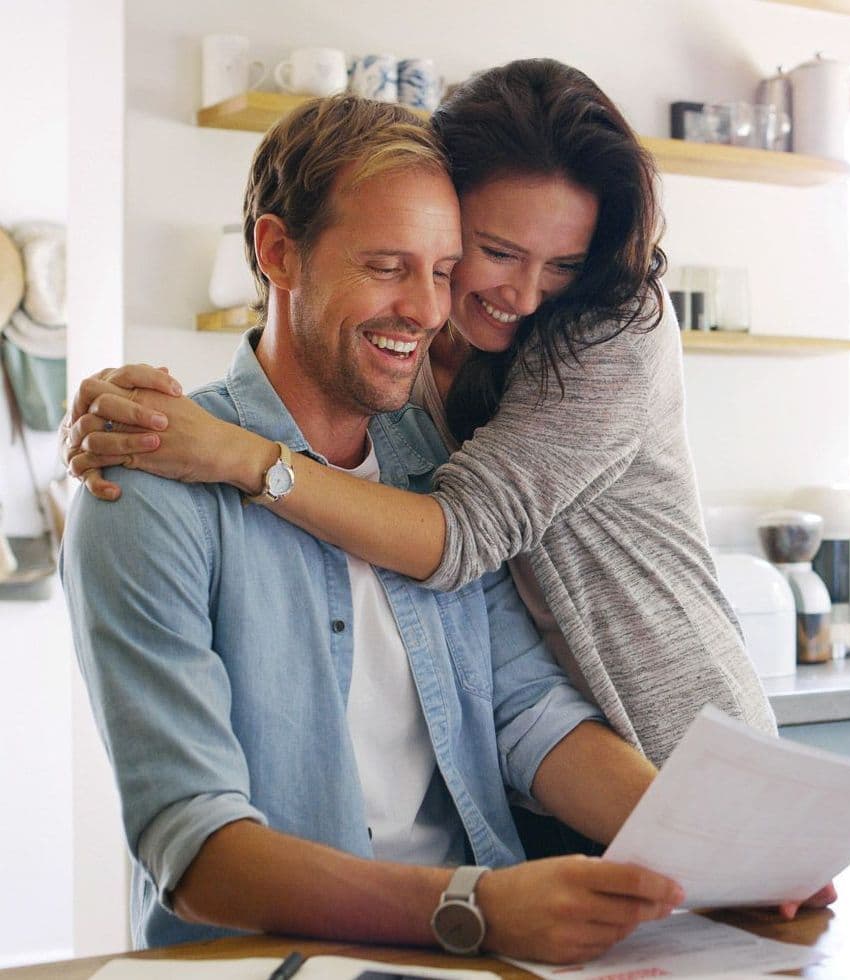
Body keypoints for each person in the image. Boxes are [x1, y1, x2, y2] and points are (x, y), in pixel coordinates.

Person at [61, 95, 687, 960]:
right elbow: (194, 845)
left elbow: (526, 710)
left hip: (472, 952)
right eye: (388, 266)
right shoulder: (148, 490)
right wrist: (476, 907)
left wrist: (715, 852)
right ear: (278, 252)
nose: (427, 309)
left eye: (443, 269)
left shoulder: (433, 469)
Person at [66, 59, 776, 770]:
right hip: (536, 772)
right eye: (496, 252)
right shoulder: (416, 353)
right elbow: (306, 339)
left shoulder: (612, 332)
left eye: (563, 263)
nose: (528, 295)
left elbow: (462, 533)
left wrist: (239, 455)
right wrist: (129, 407)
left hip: (680, 743)